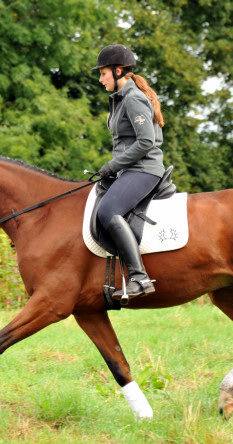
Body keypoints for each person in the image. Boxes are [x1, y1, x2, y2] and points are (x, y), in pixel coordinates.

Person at [92, 43, 166, 301]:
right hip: (131, 169)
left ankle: (139, 277)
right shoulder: (121, 99)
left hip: (144, 169)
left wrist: (113, 165)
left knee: (108, 211)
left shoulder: (133, 98)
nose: (100, 79)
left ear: (118, 70)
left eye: (103, 73)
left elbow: (146, 142)